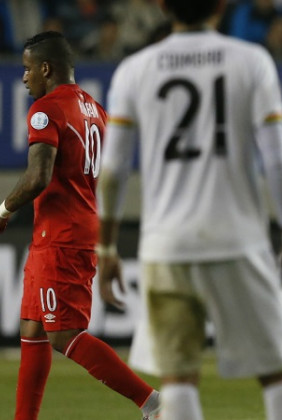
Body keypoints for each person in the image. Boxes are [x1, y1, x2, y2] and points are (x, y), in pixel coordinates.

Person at [96, 1, 282, 420]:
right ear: (222, 5)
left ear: (162, 6)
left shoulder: (134, 70)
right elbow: (277, 157)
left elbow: (114, 169)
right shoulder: (251, 61)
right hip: (239, 240)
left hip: (165, 246)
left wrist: (106, 249)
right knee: (278, 376)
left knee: (178, 382)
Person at [0, 31, 160, 420]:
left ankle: (154, 405)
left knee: (65, 334)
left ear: (45, 68)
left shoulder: (46, 110)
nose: (24, 78)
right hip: (65, 231)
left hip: (62, 236)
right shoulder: (95, 109)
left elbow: (38, 176)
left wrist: (3, 210)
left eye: (27, 70)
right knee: (33, 329)